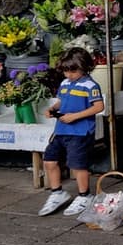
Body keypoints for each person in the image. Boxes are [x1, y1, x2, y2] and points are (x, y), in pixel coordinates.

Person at [38, 48, 105, 217]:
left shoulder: (90, 85)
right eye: (66, 71)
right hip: (61, 130)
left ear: (85, 67)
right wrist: (52, 109)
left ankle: (85, 196)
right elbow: (62, 101)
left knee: (78, 164)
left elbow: (99, 107)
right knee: (49, 161)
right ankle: (57, 192)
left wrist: (75, 116)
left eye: (73, 71)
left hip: (80, 132)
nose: (69, 74)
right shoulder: (65, 83)